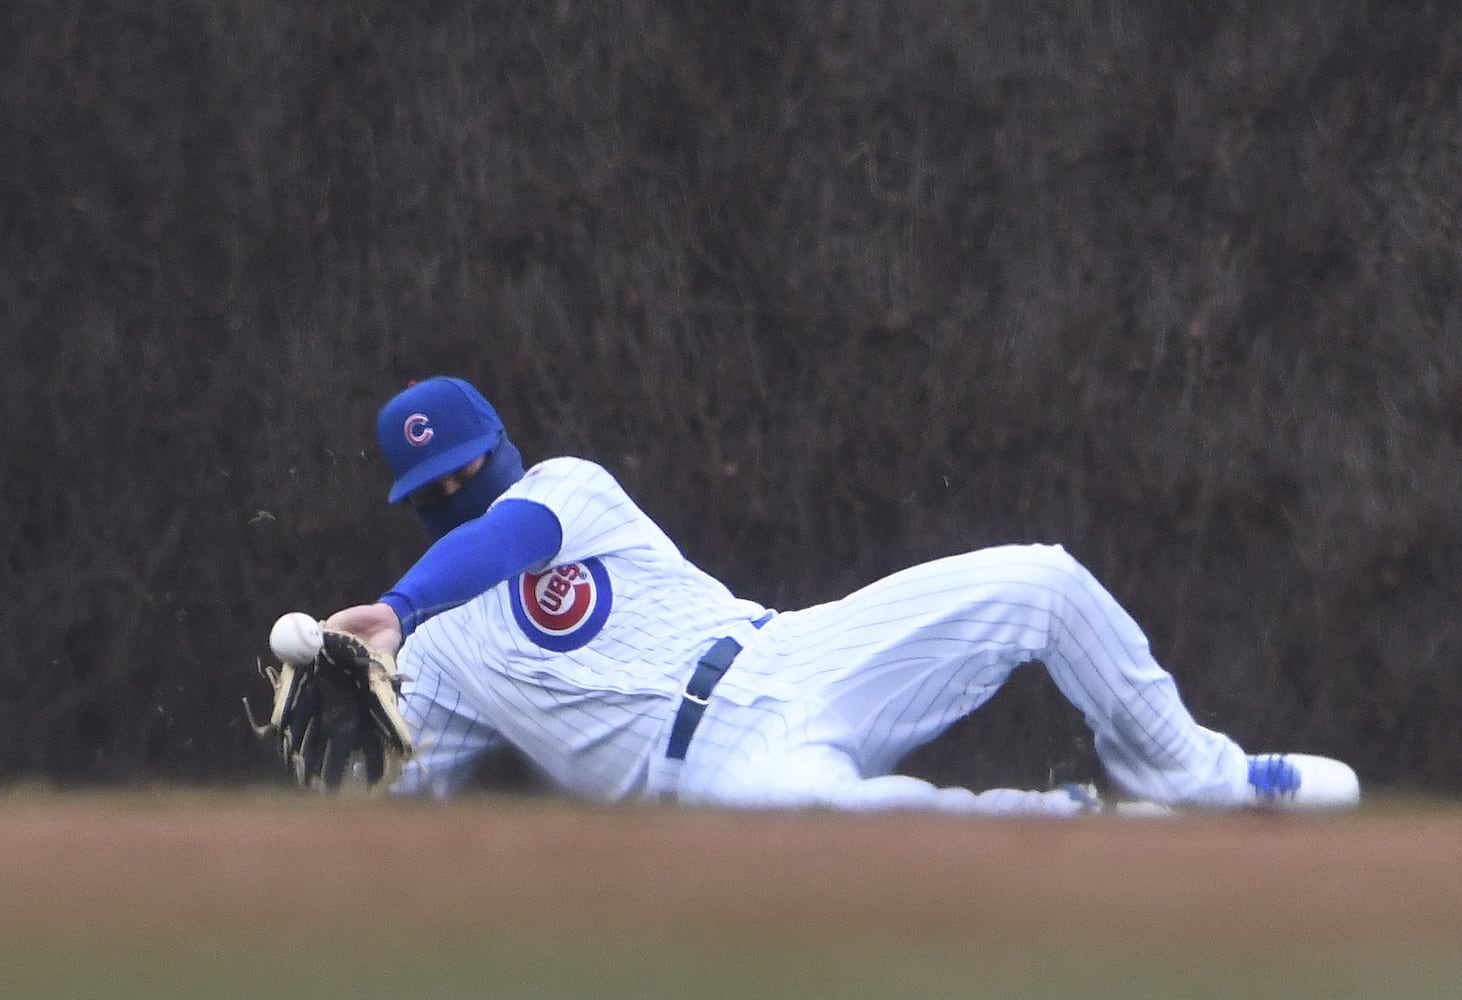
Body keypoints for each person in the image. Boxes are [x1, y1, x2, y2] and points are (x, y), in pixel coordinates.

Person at [321, 375, 1360, 815]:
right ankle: (1071, 825)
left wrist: (397, 608)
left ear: (501, 446)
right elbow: (388, 824)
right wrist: (333, 754)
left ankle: (1202, 778)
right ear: (410, 498)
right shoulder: (426, 659)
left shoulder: (562, 491)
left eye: (466, 468)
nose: (457, 492)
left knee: (1039, 579)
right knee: (825, 817)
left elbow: (507, 539)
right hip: (713, 777)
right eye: (434, 488)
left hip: (792, 653)